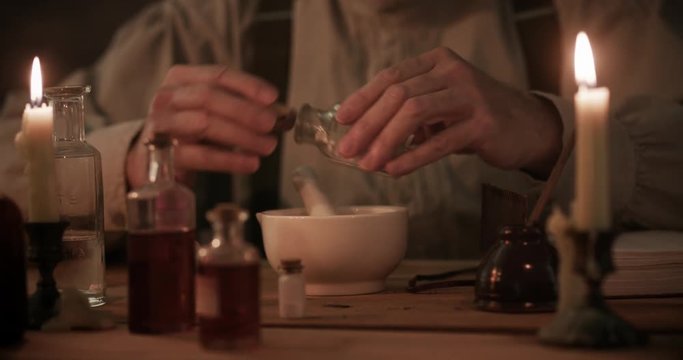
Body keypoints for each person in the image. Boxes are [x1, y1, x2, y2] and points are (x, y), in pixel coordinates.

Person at [1, 0, 682, 259]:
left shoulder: (583, 14)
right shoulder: (220, 21)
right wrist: (126, 164)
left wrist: (549, 127)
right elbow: (14, 151)